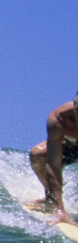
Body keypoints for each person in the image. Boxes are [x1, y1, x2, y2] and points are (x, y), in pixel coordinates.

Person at [27, 91, 78, 223]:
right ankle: (52, 201)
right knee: (38, 155)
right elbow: (53, 163)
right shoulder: (59, 119)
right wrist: (59, 210)